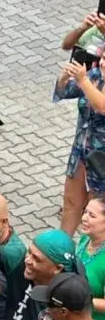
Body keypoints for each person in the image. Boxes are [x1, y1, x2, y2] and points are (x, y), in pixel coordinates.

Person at [56, 60, 105, 235]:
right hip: (81, 150)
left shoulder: (87, 79)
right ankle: (60, 251)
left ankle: (94, 253)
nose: (103, 64)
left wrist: (83, 81)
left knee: (97, 211)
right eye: (103, 58)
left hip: (102, 159)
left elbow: (102, 106)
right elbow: (64, 92)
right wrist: (64, 78)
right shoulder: (94, 76)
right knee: (71, 203)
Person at [77, 195, 105, 320]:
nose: (84, 218)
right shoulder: (85, 239)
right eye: (85, 212)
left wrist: (78, 301)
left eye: (92, 216)